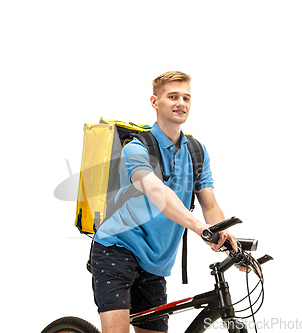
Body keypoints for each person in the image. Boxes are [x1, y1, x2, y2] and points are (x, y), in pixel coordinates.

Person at [90, 71, 238, 333]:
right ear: (155, 102)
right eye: (172, 96)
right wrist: (197, 227)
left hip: (156, 262)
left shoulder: (197, 152)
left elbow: (210, 205)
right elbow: (156, 192)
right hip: (117, 248)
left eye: (186, 98)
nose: (181, 102)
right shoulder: (136, 148)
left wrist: (228, 244)